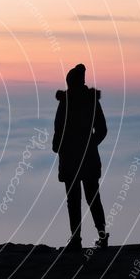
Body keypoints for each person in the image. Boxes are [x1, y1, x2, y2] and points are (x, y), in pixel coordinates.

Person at [52, 63, 108, 252]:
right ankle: (101, 236)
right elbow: (102, 130)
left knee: (74, 200)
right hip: (87, 158)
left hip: (70, 159)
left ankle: (76, 240)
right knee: (93, 197)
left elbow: (58, 129)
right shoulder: (91, 101)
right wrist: (91, 144)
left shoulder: (66, 102)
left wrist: (58, 147)